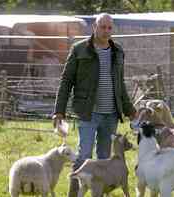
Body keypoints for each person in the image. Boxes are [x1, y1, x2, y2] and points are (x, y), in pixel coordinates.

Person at [53, 13, 137, 197]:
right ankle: (73, 194)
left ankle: (100, 193)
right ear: (94, 27)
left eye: (109, 28)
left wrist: (131, 110)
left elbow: (120, 84)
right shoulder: (79, 49)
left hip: (111, 115)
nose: (106, 31)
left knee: (104, 158)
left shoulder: (118, 51)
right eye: (102, 27)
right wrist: (59, 111)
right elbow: (66, 80)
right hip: (88, 113)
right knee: (83, 156)